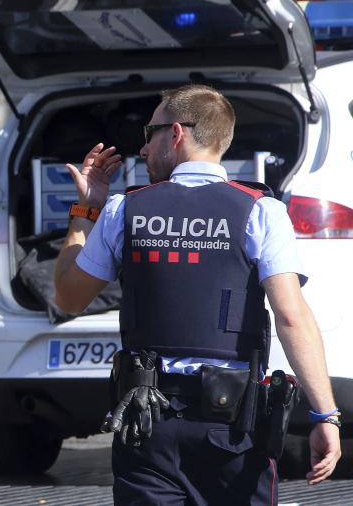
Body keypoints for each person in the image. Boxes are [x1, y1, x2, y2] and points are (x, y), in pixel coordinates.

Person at [52, 84, 341, 504]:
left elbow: (67, 298)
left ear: (175, 134)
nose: (143, 150)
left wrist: (85, 212)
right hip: (233, 429)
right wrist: (324, 415)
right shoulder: (261, 211)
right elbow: (291, 316)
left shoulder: (122, 210)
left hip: (146, 424)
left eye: (149, 134)